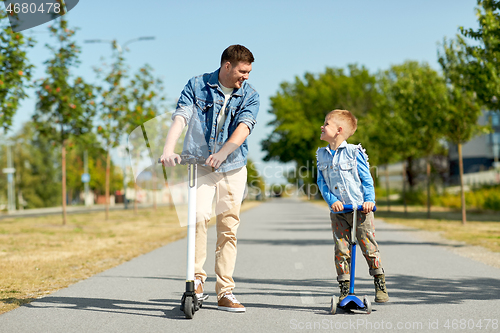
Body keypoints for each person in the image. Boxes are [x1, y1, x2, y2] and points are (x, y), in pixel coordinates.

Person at [160, 45, 259, 312]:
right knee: (198, 218)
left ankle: (225, 291)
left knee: (228, 228)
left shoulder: (250, 95)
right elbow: (181, 116)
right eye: (242, 71)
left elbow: (244, 128)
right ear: (227, 66)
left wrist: (223, 152)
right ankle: (197, 282)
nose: (246, 76)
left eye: (249, 72)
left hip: (233, 167)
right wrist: (169, 149)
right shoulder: (197, 85)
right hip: (200, 166)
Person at [316, 109, 389, 303]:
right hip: (339, 212)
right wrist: (333, 201)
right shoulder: (321, 155)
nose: (322, 127)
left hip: (360, 211)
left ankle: (379, 282)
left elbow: (367, 179)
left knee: (369, 247)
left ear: (339, 130)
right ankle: (345, 288)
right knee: (341, 250)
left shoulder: (354, 152)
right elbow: (321, 183)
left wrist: (369, 201)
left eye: (327, 124)